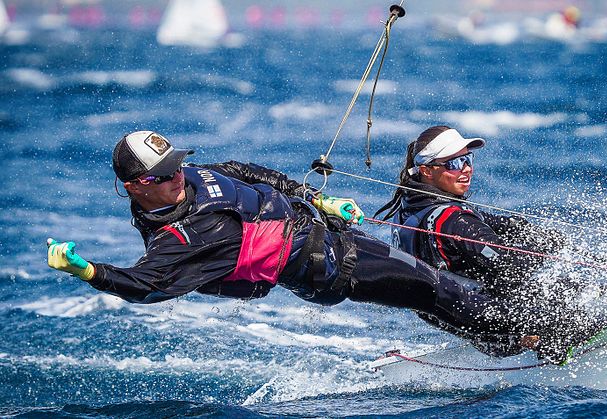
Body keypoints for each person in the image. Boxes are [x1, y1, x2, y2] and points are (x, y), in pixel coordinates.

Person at [47, 130, 543, 357]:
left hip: (326, 233)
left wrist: (319, 201)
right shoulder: (177, 240)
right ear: (136, 186)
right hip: (327, 268)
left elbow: (248, 174)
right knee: (430, 288)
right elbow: (146, 285)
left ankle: (503, 337)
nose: (178, 174)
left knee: (428, 288)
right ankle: (535, 334)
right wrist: (88, 272)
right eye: (164, 174)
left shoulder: (193, 174)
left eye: (177, 163)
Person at [375, 125, 607, 362]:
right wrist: (543, 249)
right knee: (575, 291)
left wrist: (529, 232)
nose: (465, 169)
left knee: (543, 286)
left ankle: (537, 336)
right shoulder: (453, 221)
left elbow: (488, 221)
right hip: (493, 325)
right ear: (427, 170)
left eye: (467, 160)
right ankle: (554, 342)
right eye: (454, 163)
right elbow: (511, 266)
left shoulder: (410, 207)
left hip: (458, 321)